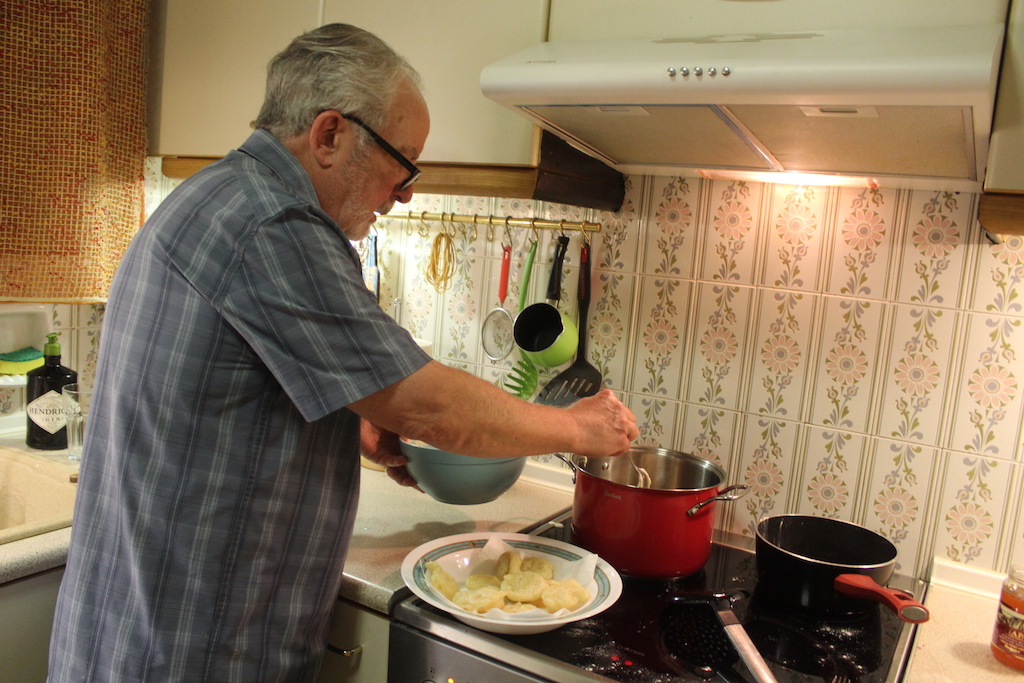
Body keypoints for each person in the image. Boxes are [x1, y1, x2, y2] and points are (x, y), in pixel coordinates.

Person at [47, 23, 638, 683]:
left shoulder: (219, 195)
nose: (407, 189)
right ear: (329, 135)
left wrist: (355, 426)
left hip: (138, 631)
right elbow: (428, 404)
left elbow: (236, 387)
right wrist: (580, 426)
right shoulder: (275, 225)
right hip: (190, 646)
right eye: (403, 161)